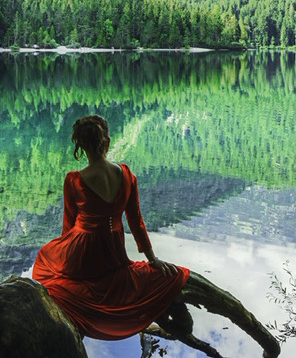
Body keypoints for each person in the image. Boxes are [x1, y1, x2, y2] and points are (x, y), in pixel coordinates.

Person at [32, 114, 191, 340]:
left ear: (81, 146)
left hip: (82, 252)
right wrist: (152, 259)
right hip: (114, 252)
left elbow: (68, 225)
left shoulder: (74, 180)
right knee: (139, 278)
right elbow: (136, 221)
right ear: (106, 141)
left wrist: (64, 252)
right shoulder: (126, 174)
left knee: (46, 262)